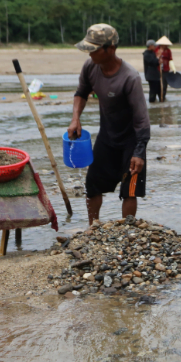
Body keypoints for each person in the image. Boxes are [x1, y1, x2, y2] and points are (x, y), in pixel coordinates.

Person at [68, 24, 151, 224]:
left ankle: (127, 230)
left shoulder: (129, 77)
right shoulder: (90, 66)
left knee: (129, 189)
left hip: (131, 139)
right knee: (93, 183)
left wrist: (139, 152)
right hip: (106, 136)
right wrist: (75, 118)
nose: (89, 54)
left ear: (110, 49)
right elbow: (81, 92)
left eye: (94, 49)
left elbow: (142, 121)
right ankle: (92, 227)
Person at [155, 36, 175, 101]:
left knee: (164, 84)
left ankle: (163, 97)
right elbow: (154, 59)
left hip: (166, 69)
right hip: (157, 69)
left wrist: (173, 68)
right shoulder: (156, 49)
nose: (166, 46)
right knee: (158, 84)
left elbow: (170, 60)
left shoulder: (168, 51)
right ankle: (158, 96)